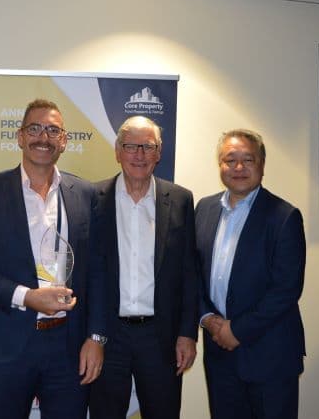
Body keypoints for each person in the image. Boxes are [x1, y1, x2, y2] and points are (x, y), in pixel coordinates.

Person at [0, 98, 107, 419]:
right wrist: (26, 297)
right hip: (2, 348)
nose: (43, 137)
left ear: (64, 141)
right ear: (20, 137)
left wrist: (96, 337)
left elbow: (97, 272)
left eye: (53, 130)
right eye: (34, 129)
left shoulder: (85, 193)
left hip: (68, 348)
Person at [89, 116, 198, 419]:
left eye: (148, 147)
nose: (139, 155)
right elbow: (89, 275)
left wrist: (187, 333)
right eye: (130, 146)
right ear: (117, 151)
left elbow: (189, 273)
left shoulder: (180, 200)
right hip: (108, 336)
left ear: (159, 152)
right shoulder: (93, 198)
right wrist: (91, 336)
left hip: (161, 337)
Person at [195, 129, 306, 419]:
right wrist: (207, 319)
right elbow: (192, 274)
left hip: (270, 356)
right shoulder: (204, 209)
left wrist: (236, 330)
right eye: (230, 160)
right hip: (219, 355)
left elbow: (286, 290)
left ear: (262, 165)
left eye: (248, 160)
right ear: (220, 165)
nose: (239, 167)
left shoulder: (284, 216)